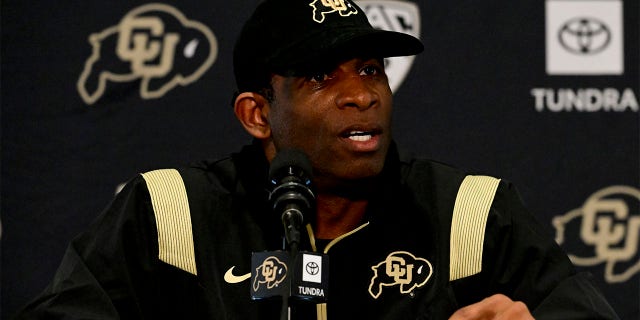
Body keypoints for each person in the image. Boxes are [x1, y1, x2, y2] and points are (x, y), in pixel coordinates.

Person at [16, 0, 619, 319]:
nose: (363, 94)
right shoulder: (169, 214)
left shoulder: (472, 213)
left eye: (369, 69)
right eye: (320, 77)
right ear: (257, 114)